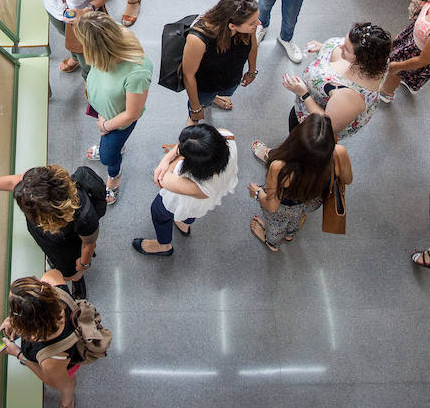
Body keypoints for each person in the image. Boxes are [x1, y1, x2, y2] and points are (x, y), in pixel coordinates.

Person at [0, 165, 100, 300]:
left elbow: (88, 244)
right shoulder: (35, 182)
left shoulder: (85, 219)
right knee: (52, 252)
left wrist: (82, 265)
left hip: (66, 244)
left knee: (70, 272)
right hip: (50, 238)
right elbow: (13, 182)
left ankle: (77, 280)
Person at [1, 269, 94, 408]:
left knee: (66, 386)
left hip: (65, 363)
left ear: (30, 325)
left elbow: (53, 382)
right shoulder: (51, 279)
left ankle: (67, 405)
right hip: (67, 333)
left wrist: (18, 354)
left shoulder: (51, 359)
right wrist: (12, 320)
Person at [75, 12, 152, 205]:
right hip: (104, 109)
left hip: (116, 122)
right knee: (108, 145)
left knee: (108, 157)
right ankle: (113, 146)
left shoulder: (137, 71)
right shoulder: (112, 35)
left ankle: (115, 174)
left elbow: (132, 113)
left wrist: (106, 126)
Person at [248, 114, 352, 251]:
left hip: (285, 208)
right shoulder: (339, 153)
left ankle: (272, 243)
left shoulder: (280, 168)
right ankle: (290, 234)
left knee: (276, 226)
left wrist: (257, 192)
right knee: (297, 217)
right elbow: (347, 180)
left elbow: (272, 206)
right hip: (312, 200)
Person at [132, 124, 238, 255]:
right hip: (201, 201)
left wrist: (169, 159)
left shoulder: (197, 186)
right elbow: (189, 143)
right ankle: (184, 224)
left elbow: (161, 179)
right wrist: (171, 157)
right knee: (190, 213)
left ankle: (163, 245)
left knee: (158, 211)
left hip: (183, 199)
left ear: (193, 164)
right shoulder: (227, 137)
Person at [283, 23, 392, 140]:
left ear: (361, 60)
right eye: (344, 41)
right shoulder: (377, 58)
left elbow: (328, 125)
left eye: (347, 49)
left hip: (311, 123)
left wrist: (304, 94)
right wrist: (324, 48)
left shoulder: (350, 97)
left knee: (297, 140)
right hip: (306, 105)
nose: (340, 47)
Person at [182, 0, 259, 124]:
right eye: (252, 23)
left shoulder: (247, 28)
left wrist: (252, 71)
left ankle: (214, 98)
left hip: (231, 78)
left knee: (223, 92)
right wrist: (195, 108)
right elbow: (188, 75)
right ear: (232, 26)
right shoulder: (198, 39)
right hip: (206, 86)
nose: (258, 23)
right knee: (203, 102)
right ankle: (198, 112)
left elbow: (252, 45)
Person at [380, 0, 430, 102]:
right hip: (412, 38)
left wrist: (398, 66)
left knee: (395, 74)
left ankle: (386, 93)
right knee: (403, 72)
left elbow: (422, 61)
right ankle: (410, 82)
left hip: (416, 56)